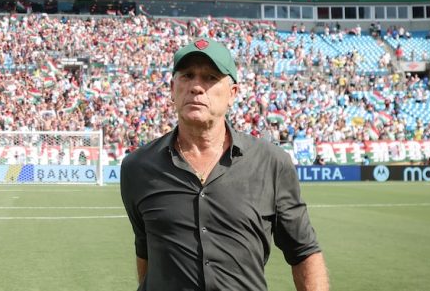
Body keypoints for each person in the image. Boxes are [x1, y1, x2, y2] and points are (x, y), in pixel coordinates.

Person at [120, 38, 329, 290]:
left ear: (232, 94)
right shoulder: (137, 166)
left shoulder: (271, 163)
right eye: (187, 75)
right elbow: (145, 250)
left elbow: (304, 252)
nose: (197, 87)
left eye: (210, 77)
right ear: (172, 88)